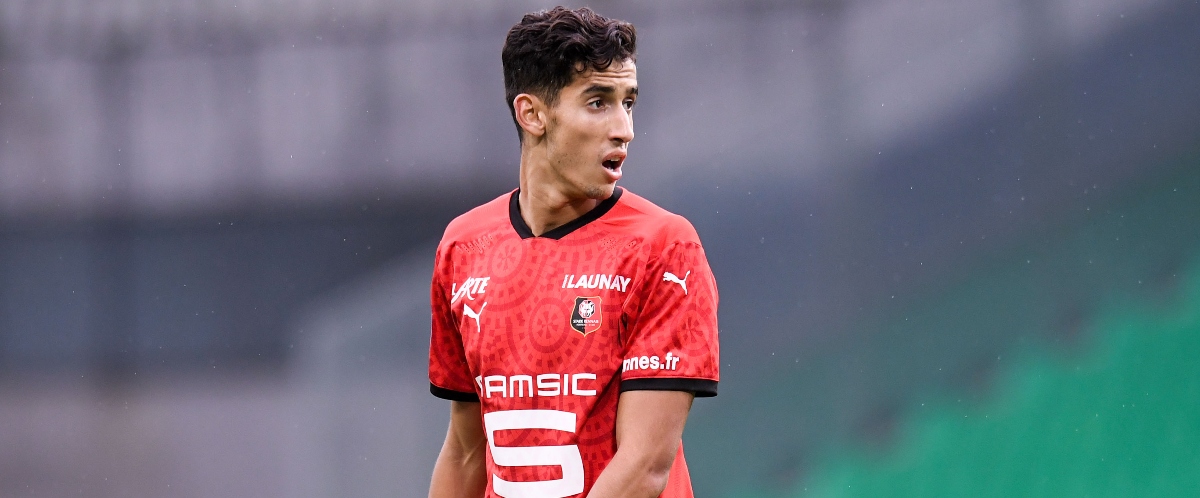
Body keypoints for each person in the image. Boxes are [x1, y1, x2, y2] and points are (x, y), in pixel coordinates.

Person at [427, 7, 720, 498]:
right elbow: (465, 451)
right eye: (598, 102)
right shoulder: (464, 247)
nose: (624, 128)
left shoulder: (663, 248)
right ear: (532, 114)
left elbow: (645, 467)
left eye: (629, 102)